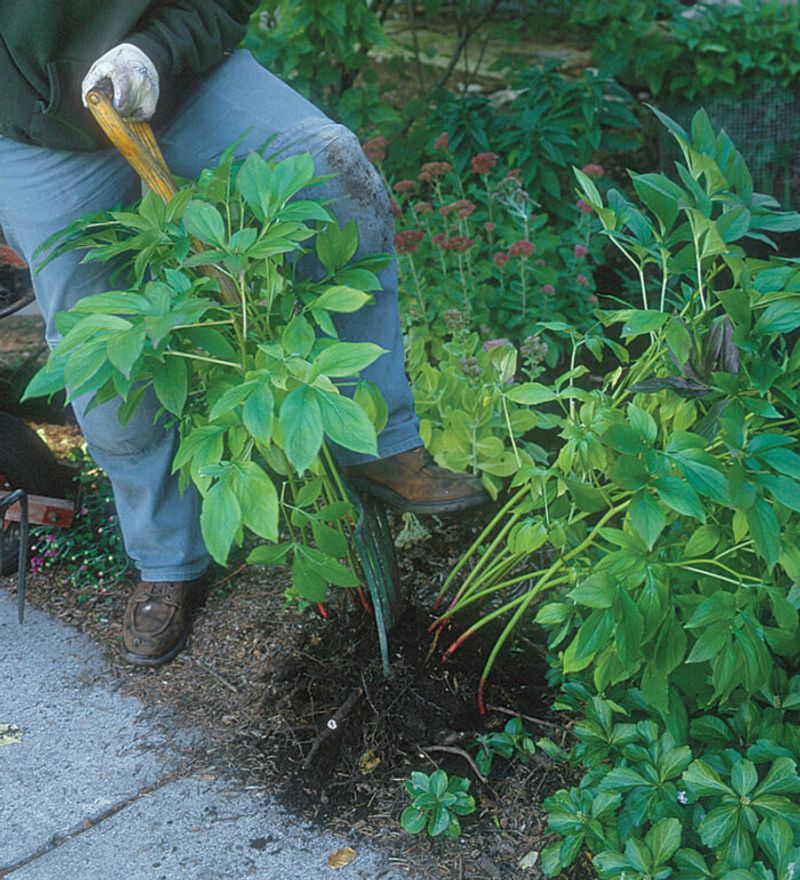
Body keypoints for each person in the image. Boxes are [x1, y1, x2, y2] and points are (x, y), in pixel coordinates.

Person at [0, 2, 488, 667]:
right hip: (32, 129)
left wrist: (154, 52)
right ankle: (166, 559)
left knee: (330, 164)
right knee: (97, 348)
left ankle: (376, 444)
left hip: (178, 72)